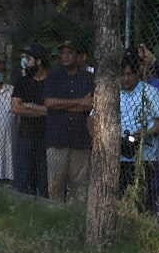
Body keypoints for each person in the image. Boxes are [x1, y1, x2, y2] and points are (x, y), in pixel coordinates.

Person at [44, 41, 95, 203]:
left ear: (79, 57)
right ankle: (56, 216)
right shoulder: (53, 76)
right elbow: (49, 103)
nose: (65, 56)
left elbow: (91, 105)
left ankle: (75, 218)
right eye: (63, 53)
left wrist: (63, 105)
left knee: (80, 188)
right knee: (55, 185)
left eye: (70, 53)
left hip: (81, 139)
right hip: (57, 139)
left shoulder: (89, 78)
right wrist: (79, 101)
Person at [118, 55, 159, 213]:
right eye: (122, 75)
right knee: (120, 197)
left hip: (144, 155)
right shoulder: (113, 93)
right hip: (118, 154)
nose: (126, 79)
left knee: (140, 197)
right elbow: (92, 118)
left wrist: (148, 132)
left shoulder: (150, 92)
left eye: (129, 74)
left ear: (137, 73)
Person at [9, 45, 52, 196]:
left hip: (47, 137)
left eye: (28, 59)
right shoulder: (22, 82)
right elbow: (16, 108)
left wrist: (29, 105)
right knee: (25, 180)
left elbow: (52, 110)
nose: (25, 62)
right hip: (26, 136)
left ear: (39, 61)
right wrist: (42, 110)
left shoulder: (52, 81)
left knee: (45, 179)